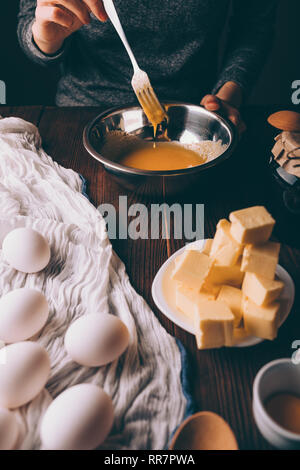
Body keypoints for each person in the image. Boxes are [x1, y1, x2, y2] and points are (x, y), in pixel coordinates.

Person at [18, 0, 278, 133]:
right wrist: (44, 38)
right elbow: (29, 21)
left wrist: (228, 95)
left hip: (193, 117)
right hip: (81, 118)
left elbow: (254, 25)